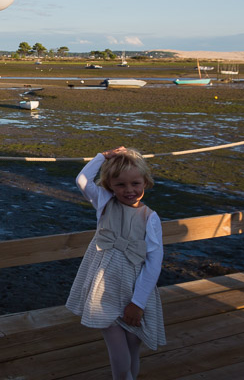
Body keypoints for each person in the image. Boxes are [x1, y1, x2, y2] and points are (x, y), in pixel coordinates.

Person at [65, 147, 165, 380]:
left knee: (132, 347)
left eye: (135, 184)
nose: (129, 190)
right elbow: (81, 179)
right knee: (119, 357)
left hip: (134, 290)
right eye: (120, 185)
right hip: (104, 288)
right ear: (109, 186)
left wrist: (138, 303)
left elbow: (153, 263)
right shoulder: (104, 202)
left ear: (145, 183)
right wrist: (103, 156)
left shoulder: (150, 217)